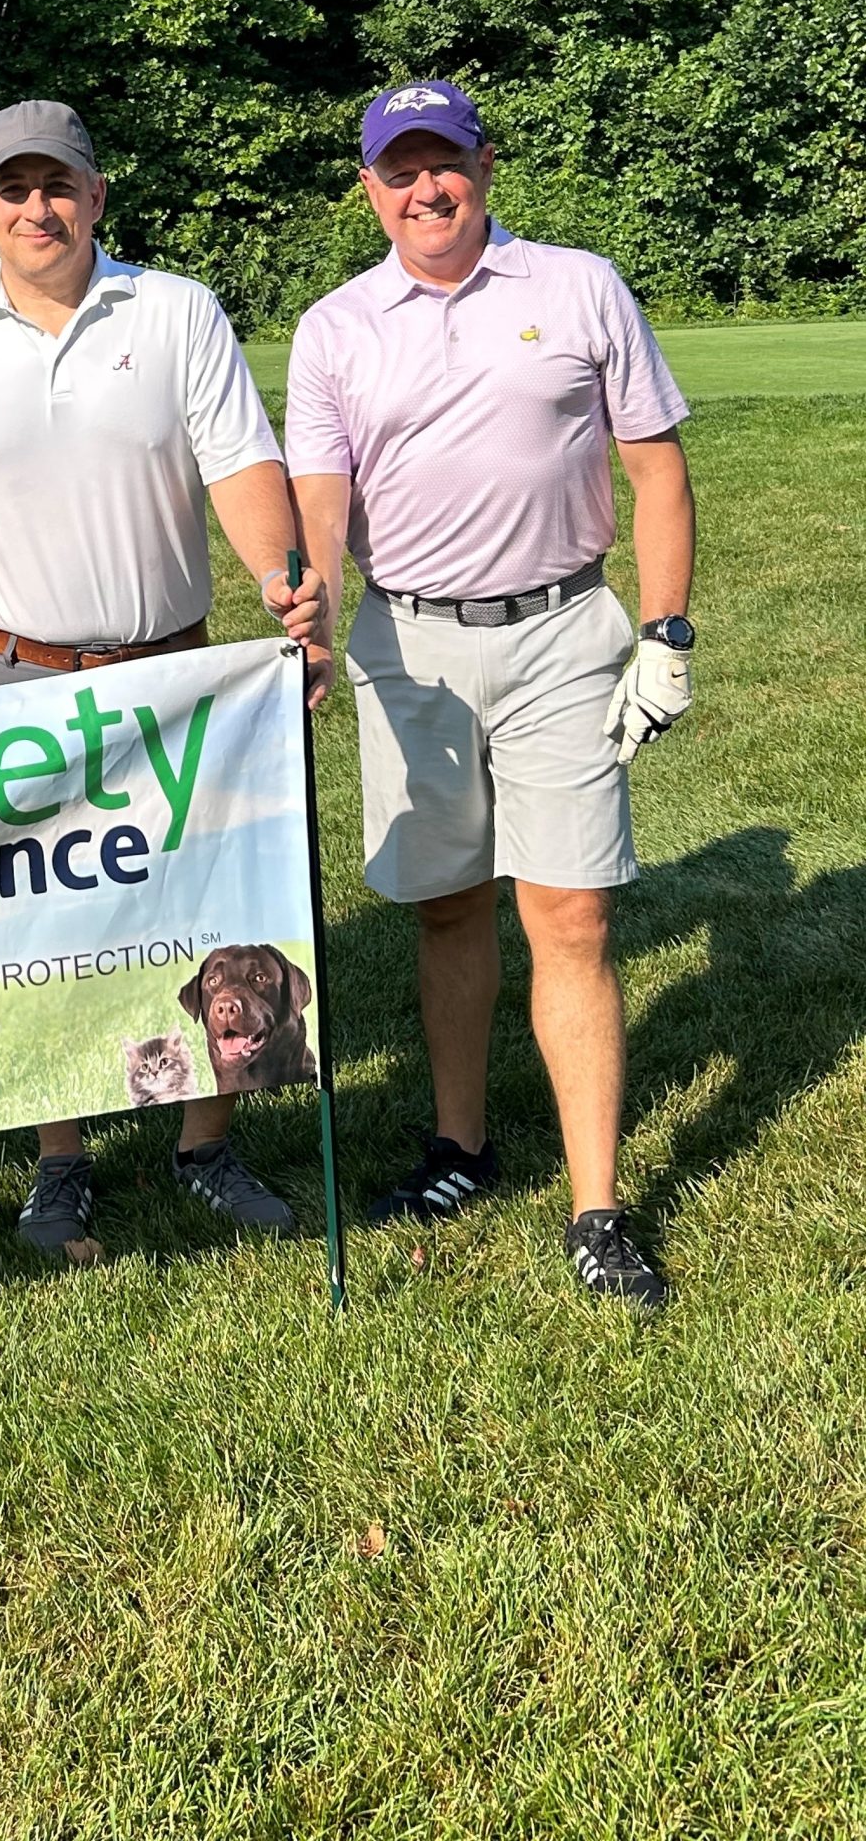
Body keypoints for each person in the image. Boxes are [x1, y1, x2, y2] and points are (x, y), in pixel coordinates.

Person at [286, 77, 696, 1310]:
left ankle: (597, 1206)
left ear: (485, 165)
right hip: (407, 647)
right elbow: (322, 499)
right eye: (399, 169)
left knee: (569, 917)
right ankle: (460, 1147)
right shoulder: (335, 327)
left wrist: (666, 629)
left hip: (563, 632)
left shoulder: (579, 285)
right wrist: (306, 609)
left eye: (444, 162)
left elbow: (656, 469)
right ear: (369, 188)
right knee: (450, 910)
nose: (425, 188)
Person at [0, 99, 327, 1259]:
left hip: (172, 675)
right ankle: (61, 1161)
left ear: (96, 196)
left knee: (204, 917)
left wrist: (288, 589)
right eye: (13, 188)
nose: (37, 208)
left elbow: (241, 465)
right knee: (41, 931)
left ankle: (205, 1142)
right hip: (10, 676)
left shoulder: (176, 309)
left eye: (59, 185)